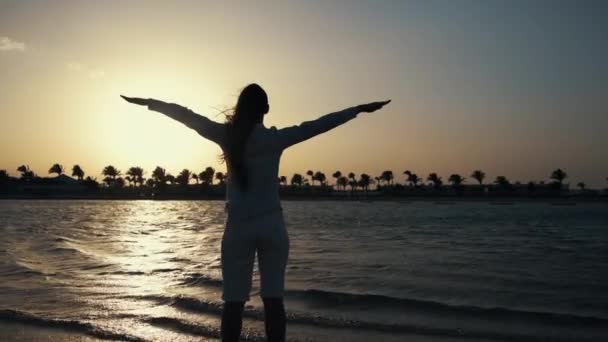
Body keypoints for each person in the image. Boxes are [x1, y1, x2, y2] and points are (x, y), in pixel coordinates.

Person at [121, 84, 390, 342]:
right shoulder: (276, 139)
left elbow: (187, 116)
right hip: (272, 226)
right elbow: (319, 125)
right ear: (267, 109)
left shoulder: (226, 136)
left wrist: (150, 104)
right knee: (274, 301)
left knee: (233, 303)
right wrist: (357, 109)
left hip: (238, 228)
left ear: (240, 108)